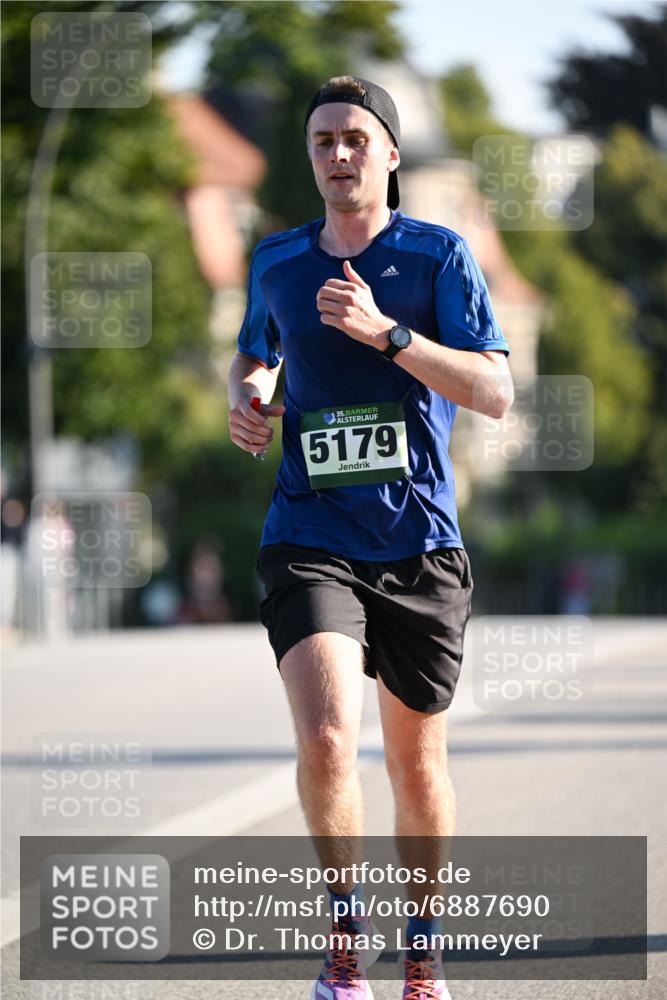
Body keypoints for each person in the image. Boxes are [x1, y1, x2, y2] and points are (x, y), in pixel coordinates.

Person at [228, 75, 513, 1000]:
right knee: (322, 737)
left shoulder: (437, 257)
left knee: (415, 761)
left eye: (355, 138)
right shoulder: (276, 260)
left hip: (418, 541)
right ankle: (344, 937)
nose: (339, 155)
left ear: (390, 154)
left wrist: (390, 336)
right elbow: (256, 352)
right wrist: (248, 397)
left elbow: (494, 392)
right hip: (308, 530)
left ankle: (421, 945)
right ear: (308, 158)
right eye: (322, 141)